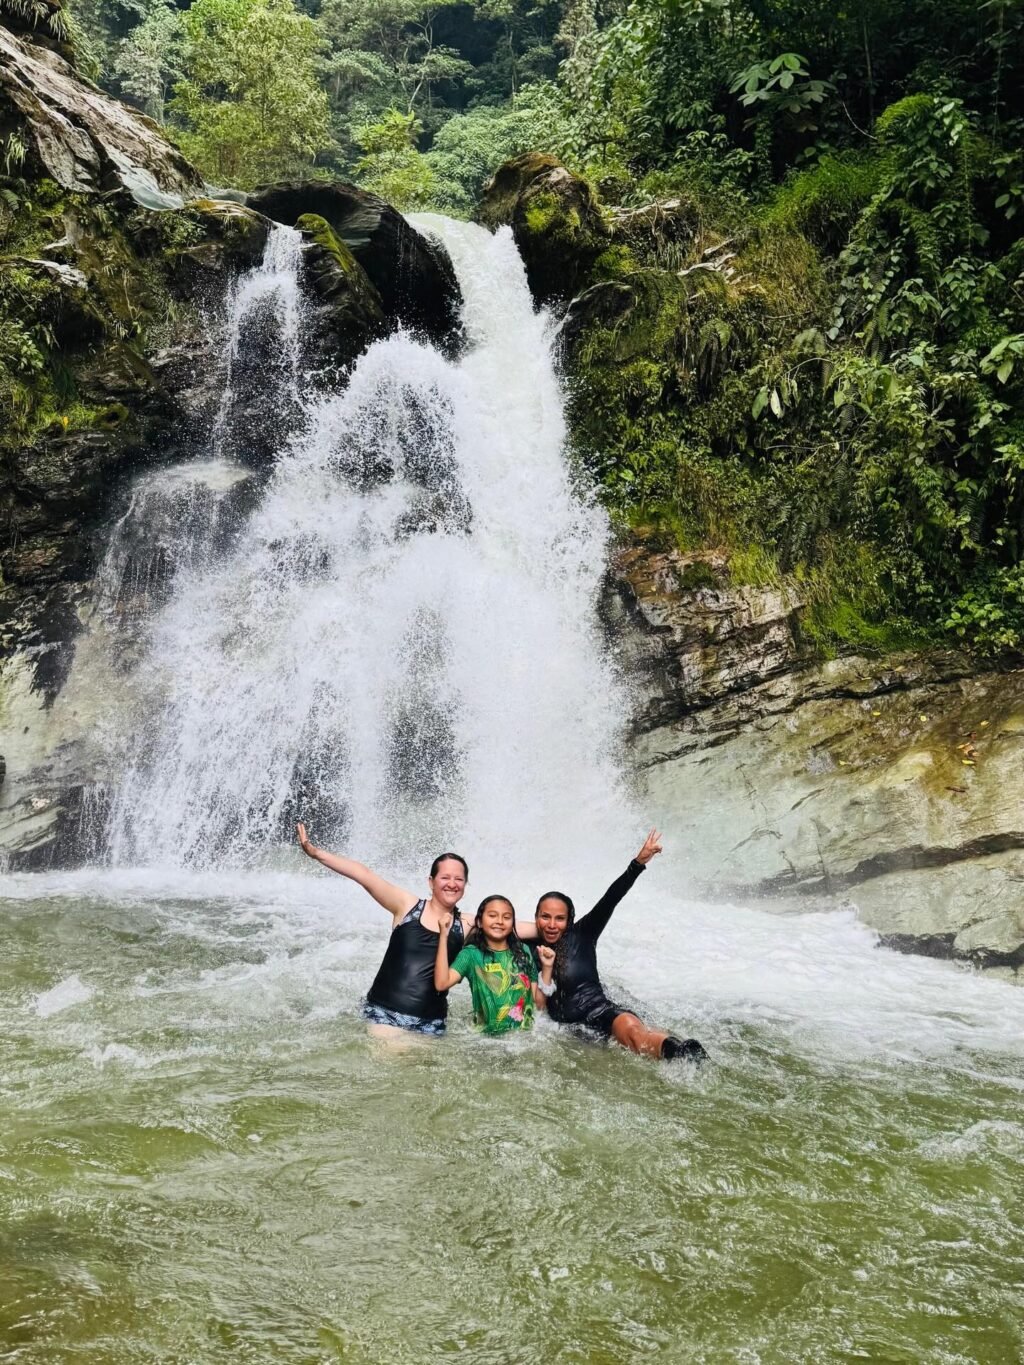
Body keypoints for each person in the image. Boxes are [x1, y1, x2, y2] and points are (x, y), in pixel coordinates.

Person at [533, 830, 708, 1064]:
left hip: (601, 1013)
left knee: (634, 1034)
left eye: (559, 918)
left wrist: (638, 863)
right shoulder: (528, 949)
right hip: (570, 1031)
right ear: (535, 917)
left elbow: (611, 898)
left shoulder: (583, 934)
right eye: (545, 917)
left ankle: (681, 1053)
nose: (552, 925)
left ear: (570, 920)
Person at [296, 822, 471, 1037]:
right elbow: (364, 875)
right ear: (431, 881)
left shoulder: (467, 924)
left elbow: (510, 926)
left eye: (459, 879)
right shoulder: (407, 906)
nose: (452, 884)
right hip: (384, 1015)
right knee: (392, 1055)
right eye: (445, 877)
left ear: (465, 885)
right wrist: (315, 853)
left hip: (432, 1024)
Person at [434, 895, 556, 1036]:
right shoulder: (470, 955)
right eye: (492, 915)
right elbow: (441, 984)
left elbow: (538, 1004)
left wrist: (547, 967)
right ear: (479, 922)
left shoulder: (524, 951)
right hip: (486, 1040)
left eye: (506, 917)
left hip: (522, 1039)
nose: (499, 921)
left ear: (512, 925)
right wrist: (443, 935)